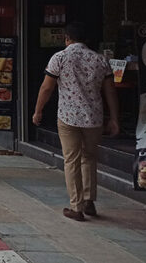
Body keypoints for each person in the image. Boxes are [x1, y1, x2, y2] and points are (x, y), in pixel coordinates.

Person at [32, 22, 119, 221]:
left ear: (67, 38)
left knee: (71, 160)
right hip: (94, 117)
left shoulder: (60, 58)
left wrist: (38, 111)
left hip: (68, 117)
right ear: (86, 40)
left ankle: (76, 206)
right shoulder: (100, 60)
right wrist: (114, 118)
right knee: (89, 158)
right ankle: (89, 201)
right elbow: (110, 91)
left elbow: (47, 88)